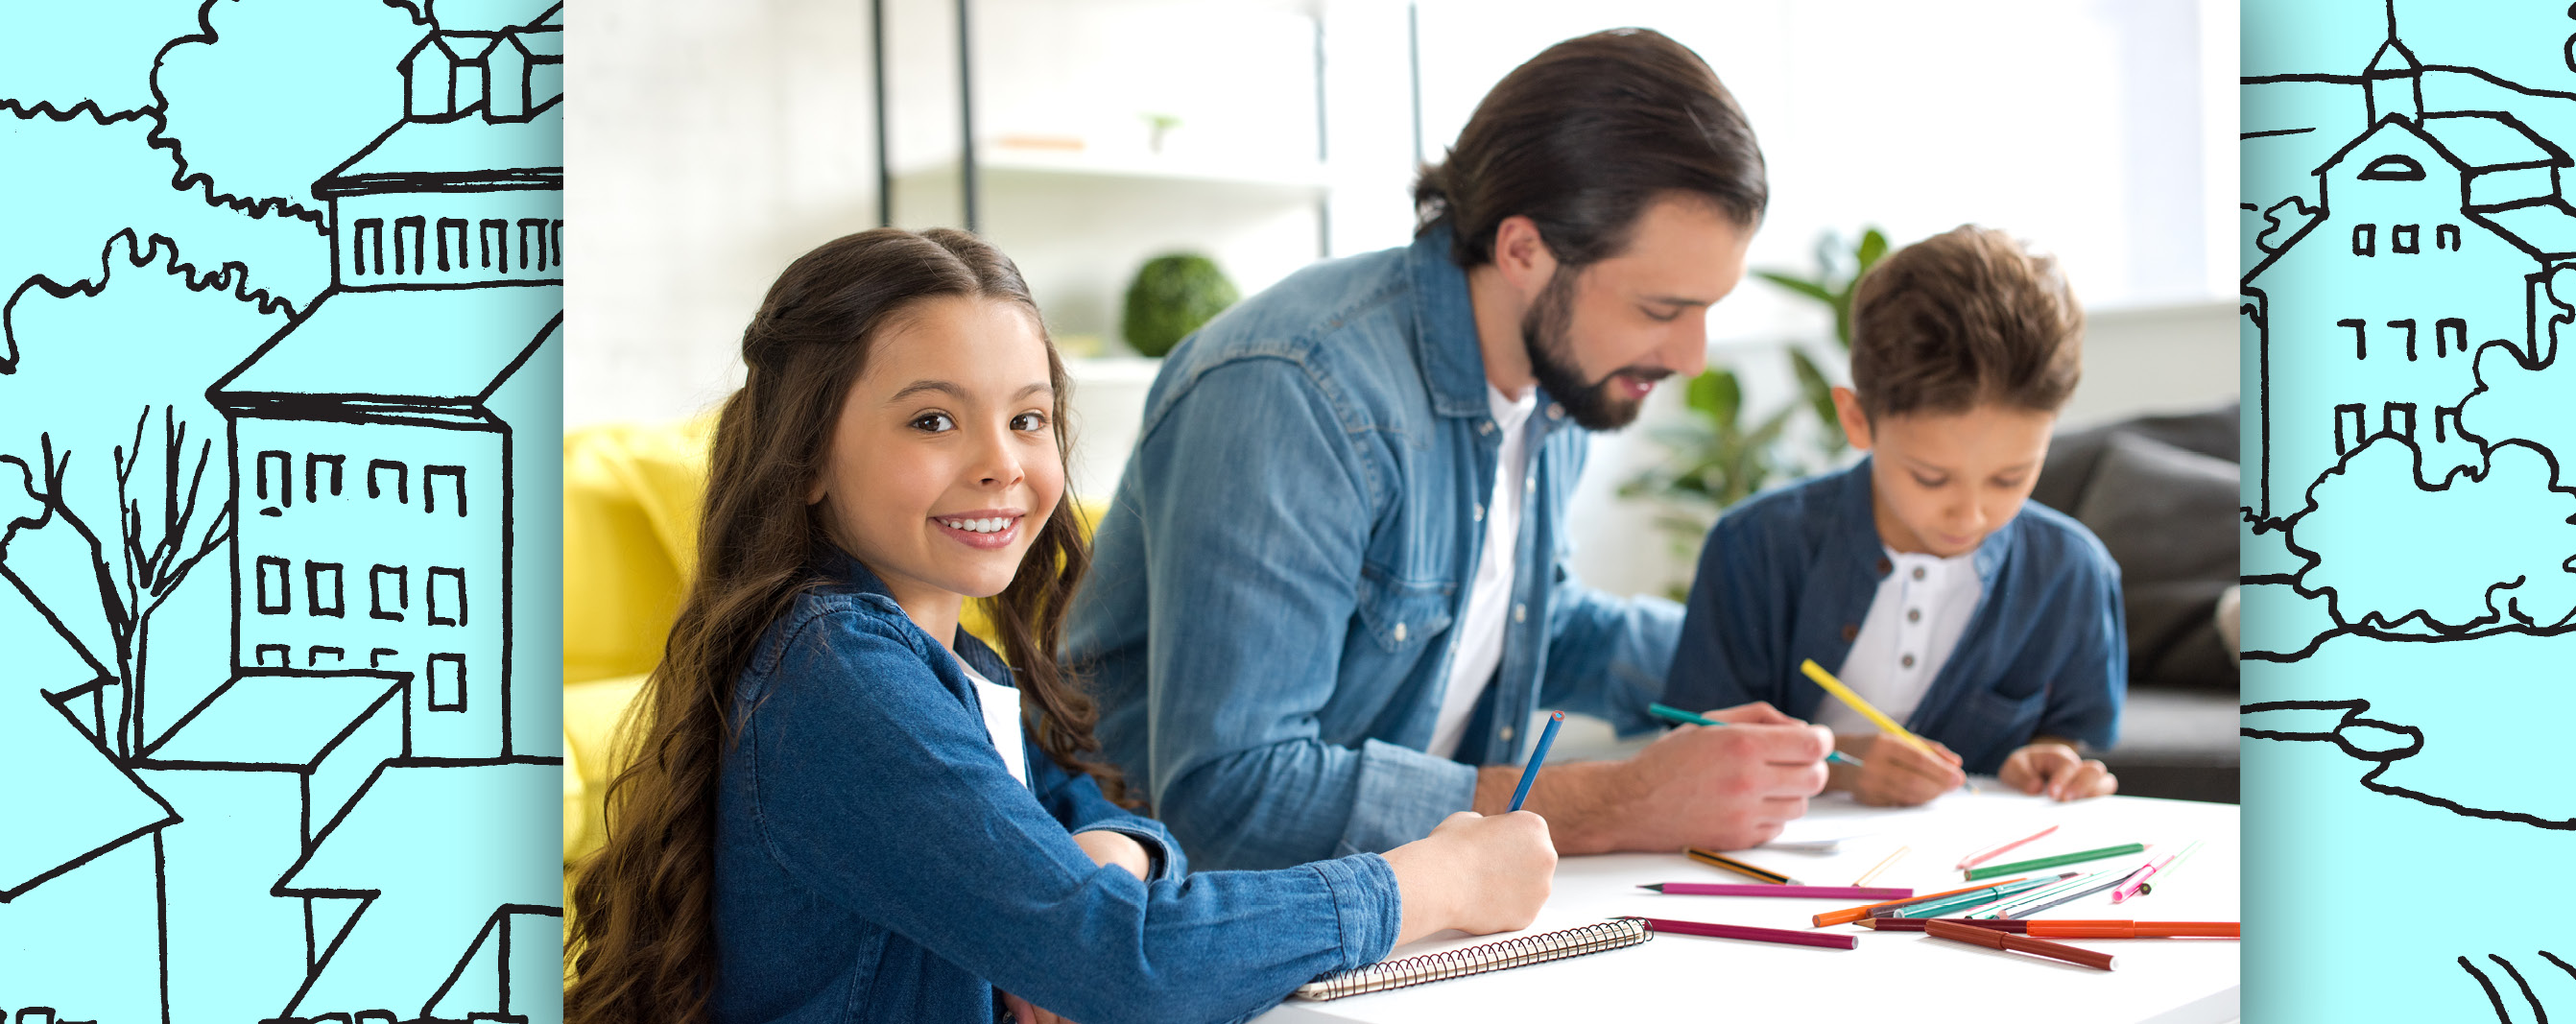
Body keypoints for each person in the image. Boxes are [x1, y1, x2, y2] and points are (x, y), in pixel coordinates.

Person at [563, 227, 1555, 1024]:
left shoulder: (946, 655)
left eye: (1028, 418)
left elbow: (1080, 803)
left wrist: (1108, 858)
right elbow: (1129, 963)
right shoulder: (840, 670)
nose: (1001, 462)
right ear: (808, 455)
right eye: (932, 420)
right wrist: (1430, 879)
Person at [1066, 28, 1834, 872]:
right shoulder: (1293, 390)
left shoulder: (1555, 384)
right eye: (1661, 309)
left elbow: (1525, 620)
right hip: (1174, 933)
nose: (1690, 356)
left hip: (1402, 912)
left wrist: (1786, 673)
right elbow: (1232, 798)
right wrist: (1622, 798)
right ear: (1522, 250)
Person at [1664, 226, 2126, 808]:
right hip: (1775, 870)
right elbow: (1695, 748)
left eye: (2010, 478)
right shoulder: (1754, 546)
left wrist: (2050, 762)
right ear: (1857, 421)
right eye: (1931, 478)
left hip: (1978, 880)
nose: (1973, 512)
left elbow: (2074, 737)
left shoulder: (2072, 571)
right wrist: (1844, 766)